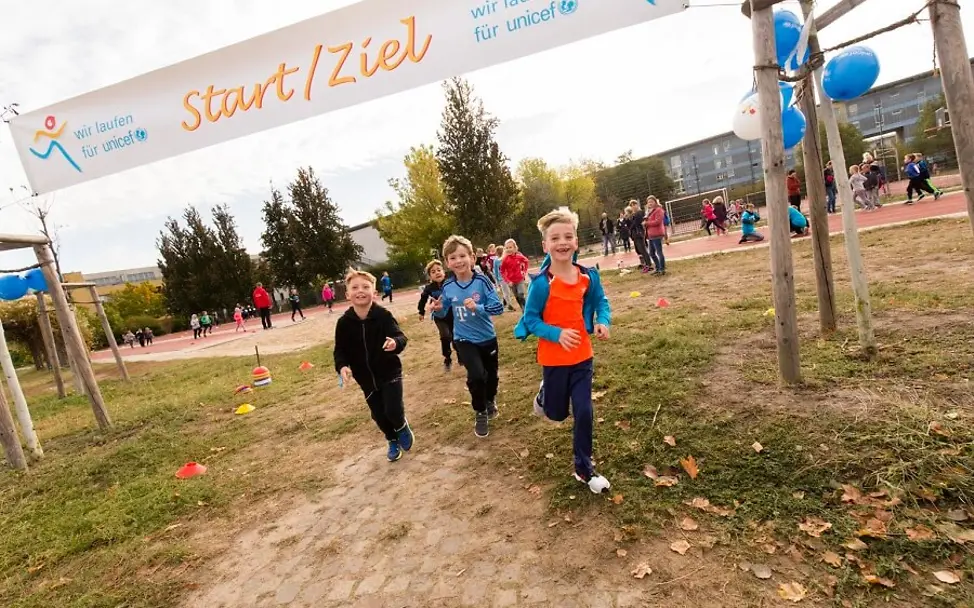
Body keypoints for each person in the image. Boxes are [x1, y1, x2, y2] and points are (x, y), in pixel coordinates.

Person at [514, 206, 612, 495]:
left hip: (583, 357)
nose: (562, 242)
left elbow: (602, 302)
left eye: (568, 236)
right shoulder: (542, 284)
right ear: (545, 245)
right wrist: (556, 334)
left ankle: (584, 468)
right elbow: (531, 320)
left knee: (584, 411)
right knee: (556, 414)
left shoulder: (587, 276)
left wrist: (603, 321)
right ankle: (545, 394)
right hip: (554, 360)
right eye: (555, 238)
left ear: (576, 242)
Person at [333, 269, 414, 463]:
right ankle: (392, 439)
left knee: (393, 410)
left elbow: (400, 336)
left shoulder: (383, 315)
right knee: (379, 415)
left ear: (374, 292)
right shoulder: (343, 323)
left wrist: (395, 343)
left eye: (365, 287)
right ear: (347, 294)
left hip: (389, 372)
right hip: (365, 379)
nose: (360, 290)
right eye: (355, 287)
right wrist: (342, 366)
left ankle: (401, 426)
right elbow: (340, 351)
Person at [430, 235, 505, 438]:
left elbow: (498, 307)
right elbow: (443, 309)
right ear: (447, 262)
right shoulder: (447, 286)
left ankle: (490, 400)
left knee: (491, 376)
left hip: (487, 338)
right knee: (477, 375)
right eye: (453, 258)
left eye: (462, 256)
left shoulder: (482, 282)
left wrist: (478, 307)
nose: (458, 261)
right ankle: (480, 411)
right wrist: (436, 309)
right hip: (463, 339)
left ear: (472, 257)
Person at [418, 260, 459, 372]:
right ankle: (447, 358)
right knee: (445, 336)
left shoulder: (451, 283)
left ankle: (461, 354)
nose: (437, 273)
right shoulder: (429, 288)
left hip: (453, 314)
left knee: (456, 336)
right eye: (433, 271)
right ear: (430, 276)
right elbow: (423, 300)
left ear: (444, 272)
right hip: (439, 317)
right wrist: (421, 311)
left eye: (439, 270)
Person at [501, 239, 530, 310]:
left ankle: (526, 309)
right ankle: (523, 309)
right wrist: (508, 281)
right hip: (511, 282)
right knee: (517, 297)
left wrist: (524, 271)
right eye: (507, 248)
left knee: (521, 294)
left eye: (510, 247)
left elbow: (526, 261)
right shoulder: (505, 259)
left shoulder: (519, 256)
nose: (508, 249)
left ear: (515, 248)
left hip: (520, 279)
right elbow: (502, 271)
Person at [644, 196, 667, 275]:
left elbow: (658, 221)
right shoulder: (649, 211)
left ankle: (662, 269)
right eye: (648, 202)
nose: (650, 203)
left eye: (651, 201)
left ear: (655, 202)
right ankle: (657, 267)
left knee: (659, 252)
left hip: (657, 234)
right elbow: (648, 221)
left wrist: (647, 223)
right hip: (650, 235)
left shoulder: (659, 210)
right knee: (651, 253)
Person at [628, 200, 651, 273]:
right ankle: (645, 264)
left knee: (643, 249)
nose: (633, 206)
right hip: (635, 234)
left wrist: (631, 228)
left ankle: (648, 264)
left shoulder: (639, 213)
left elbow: (636, 223)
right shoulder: (634, 214)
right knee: (640, 250)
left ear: (637, 205)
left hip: (639, 233)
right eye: (631, 205)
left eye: (634, 204)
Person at [491, 244, 514, 312]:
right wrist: (497, 281)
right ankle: (509, 306)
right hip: (502, 279)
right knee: (506, 292)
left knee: (507, 292)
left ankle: (503, 303)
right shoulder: (496, 260)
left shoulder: (507, 258)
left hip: (508, 278)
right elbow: (495, 271)